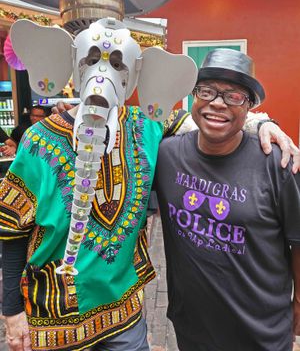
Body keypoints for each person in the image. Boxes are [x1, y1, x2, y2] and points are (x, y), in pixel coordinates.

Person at [0, 98, 298, 351]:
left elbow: (210, 120)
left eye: (118, 62)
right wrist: (12, 310)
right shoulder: (38, 139)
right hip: (55, 314)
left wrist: (261, 123)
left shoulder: (149, 122)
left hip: (124, 312)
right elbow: (13, 229)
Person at [154, 48, 300, 351]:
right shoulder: (166, 155)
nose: (217, 103)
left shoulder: (277, 164)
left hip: (261, 334)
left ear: (249, 107)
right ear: (194, 96)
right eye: (206, 91)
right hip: (192, 328)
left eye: (233, 96)